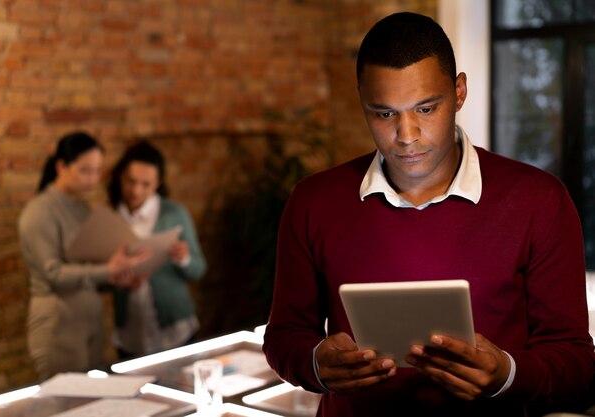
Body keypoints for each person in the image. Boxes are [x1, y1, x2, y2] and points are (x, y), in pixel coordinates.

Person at [263, 12, 595, 417]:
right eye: (384, 113)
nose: (406, 136)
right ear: (362, 102)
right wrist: (316, 363)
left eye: (425, 109)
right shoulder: (313, 201)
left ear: (458, 92)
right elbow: (283, 337)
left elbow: (576, 360)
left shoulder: (539, 200)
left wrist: (507, 373)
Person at [19, 131, 150, 380]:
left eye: (98, 170)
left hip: (90, 322)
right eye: (85, 170)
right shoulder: (40, 211)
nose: (93, 179)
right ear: (61, 166)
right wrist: (108, 270)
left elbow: (90, 269)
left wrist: (118, 279)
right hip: (59, 323)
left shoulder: (81, 207)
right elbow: (53, 273)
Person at [107, 140, 207, 359]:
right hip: (130, 331)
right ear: (120, 177)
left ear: (158, 183)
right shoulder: (111, 217)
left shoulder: (174, 214)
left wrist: (183, 258)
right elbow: (104, 277)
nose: (136, 190)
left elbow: (199, 269)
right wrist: (120, 281)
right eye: (131, 181)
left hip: (174, 330)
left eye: (146, 184)